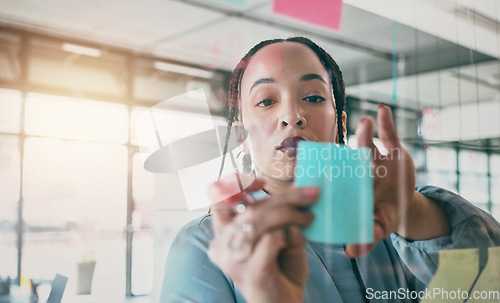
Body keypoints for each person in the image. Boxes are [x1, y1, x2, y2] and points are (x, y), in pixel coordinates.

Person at [160, 37, 500, 302]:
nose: (292, 115)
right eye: (266, 101)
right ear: (241, 136)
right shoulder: (204, 245)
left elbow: (487, 289)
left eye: (314, 97)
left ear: (340, 125)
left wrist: (413, 212)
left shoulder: (388, 226)